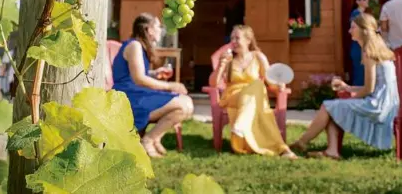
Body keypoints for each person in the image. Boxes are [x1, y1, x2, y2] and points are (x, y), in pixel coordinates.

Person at [290, 13, 399, 159]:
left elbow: (369, 89)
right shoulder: (377, 49)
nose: (349, 31)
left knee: (329, 106)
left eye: (353, 27)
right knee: (332, 107)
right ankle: (331, 151)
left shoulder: (369, 53)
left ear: (363, 30)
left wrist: (351, 97)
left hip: (378, 107)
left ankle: (302, 143)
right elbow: (374, 87)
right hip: (386, 104)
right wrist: (346, 87)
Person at [112, 13, 193, 158]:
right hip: (128, 97)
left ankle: (154, 138)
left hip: (135, 93)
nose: (160, 30)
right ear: (148, 29)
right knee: (183, 105)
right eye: (158, 27)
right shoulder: (135, 45)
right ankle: (148, 140)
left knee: (186, 104)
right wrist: (170, 86)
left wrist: (155, 73)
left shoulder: (137, 46)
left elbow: (135, 74)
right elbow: (139, 79)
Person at [210, 25, 297, 159]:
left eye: (237, 38)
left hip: (254, 96)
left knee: (257, 84)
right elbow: (213, 83)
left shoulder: (258, 57)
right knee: (257, 85)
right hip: (234, 96)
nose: (233, 41)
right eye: (231, 38)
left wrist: (279, 85)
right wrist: (221, 66)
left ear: (248, 40)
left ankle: (243, 126)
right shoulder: (229, 60)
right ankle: (280, 148)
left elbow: (270, 81)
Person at [349, 0, 369, 86]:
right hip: (358, 47)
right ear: (357, 1)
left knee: (362, 75)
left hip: (361, 47)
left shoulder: (361, 14)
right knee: (360, 75)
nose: (367, 0)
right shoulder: (356, 14)